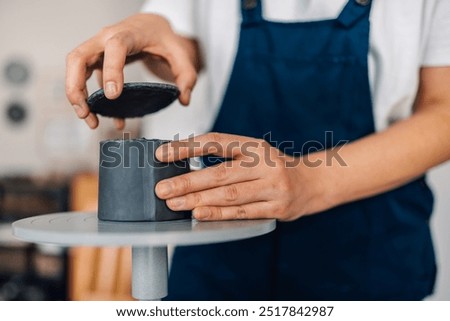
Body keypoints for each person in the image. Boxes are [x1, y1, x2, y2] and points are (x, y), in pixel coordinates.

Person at [65, 0, 450, 300]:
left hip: (370, 257)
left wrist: (308, 180)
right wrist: (151, 32)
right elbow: (183, 46)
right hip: (218, 263)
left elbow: (444, 110)